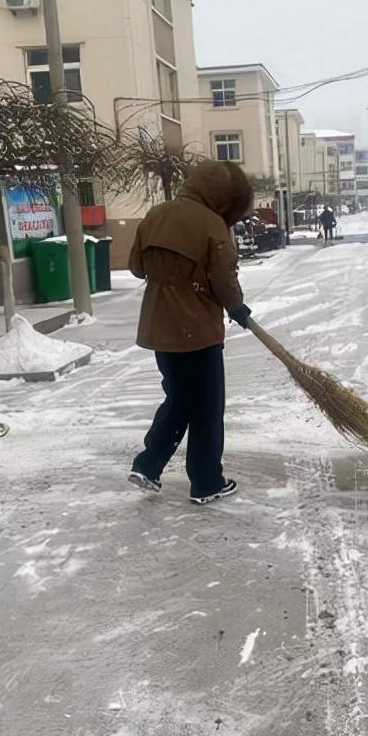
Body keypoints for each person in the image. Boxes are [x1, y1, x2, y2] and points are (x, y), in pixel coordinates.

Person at [127, 160, 254, 504]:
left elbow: (136, 267)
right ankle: (207, 481)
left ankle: (148, 464)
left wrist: (170, 276)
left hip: (160, 328)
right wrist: (237, 308)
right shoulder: (212, 224)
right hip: (197, 331)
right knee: (207, 408)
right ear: (224, 196)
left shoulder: (155, 215)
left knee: (180, 399)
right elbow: (224, 278)